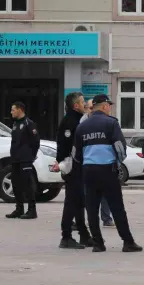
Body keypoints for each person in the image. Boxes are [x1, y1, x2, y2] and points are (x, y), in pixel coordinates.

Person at [73, 94, 142, 253]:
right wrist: (117, 163)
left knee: (92, 208)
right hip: (107, 170)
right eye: (109, 105)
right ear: (104, 106)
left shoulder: (82, 126)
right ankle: (127, 242)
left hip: (89, 171)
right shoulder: (111, 123)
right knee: (117, 207)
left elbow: (76, 154)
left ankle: (98, 243)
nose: (110, 108)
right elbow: (120, 149)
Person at [54, 92, 92, 249]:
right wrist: (62, 164)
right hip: (72, 166)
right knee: (71, 201)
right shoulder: (70, 122)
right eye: (83, 102)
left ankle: (84, 234)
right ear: (75, 105)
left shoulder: (78, 120)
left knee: (79, 201)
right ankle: (66, 236)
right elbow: (67, 147)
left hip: (78, 166)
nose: (85, 105)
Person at [80, 98, 114, 227]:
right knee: (90, 194)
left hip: (106, 164)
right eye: (88, 108)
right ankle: (91, 219)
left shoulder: (109, 122)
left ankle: (106, 218)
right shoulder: (83, 123)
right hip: (89, 164)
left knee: (105, 194)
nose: (90, 110)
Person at [6, 101, 40, 220]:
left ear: (20, 109)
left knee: (27, 184)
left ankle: (32, 210)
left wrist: (31, 156)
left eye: (13, 110)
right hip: (15, 159)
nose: (11, 112)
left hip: (25, 159)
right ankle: (19, 208)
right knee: (16, 184)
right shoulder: (15, 124)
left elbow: (36, 142)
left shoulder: (29, 123)